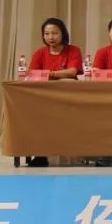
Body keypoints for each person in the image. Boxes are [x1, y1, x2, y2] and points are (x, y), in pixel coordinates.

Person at [24, 17, 82, 167]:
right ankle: (40, 155)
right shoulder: (39, 53)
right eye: (47, 33)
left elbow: (72, 72)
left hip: (68, 98)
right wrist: (57, 75)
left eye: (55, 33)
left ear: (63, 33)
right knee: (35, 114)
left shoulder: (73, 50)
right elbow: (33, 74)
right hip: (44, 98)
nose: (50, 37)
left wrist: (49, 74)